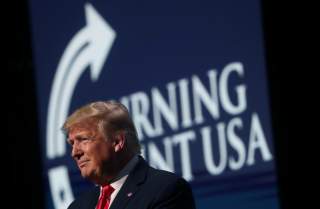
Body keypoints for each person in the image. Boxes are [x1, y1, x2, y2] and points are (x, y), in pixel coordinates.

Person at [63, 100, 196, 209]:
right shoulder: (77, 206)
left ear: (117, 142)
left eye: (83, 139)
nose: (75, 153)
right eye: (72, 143)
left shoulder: (166, 190)